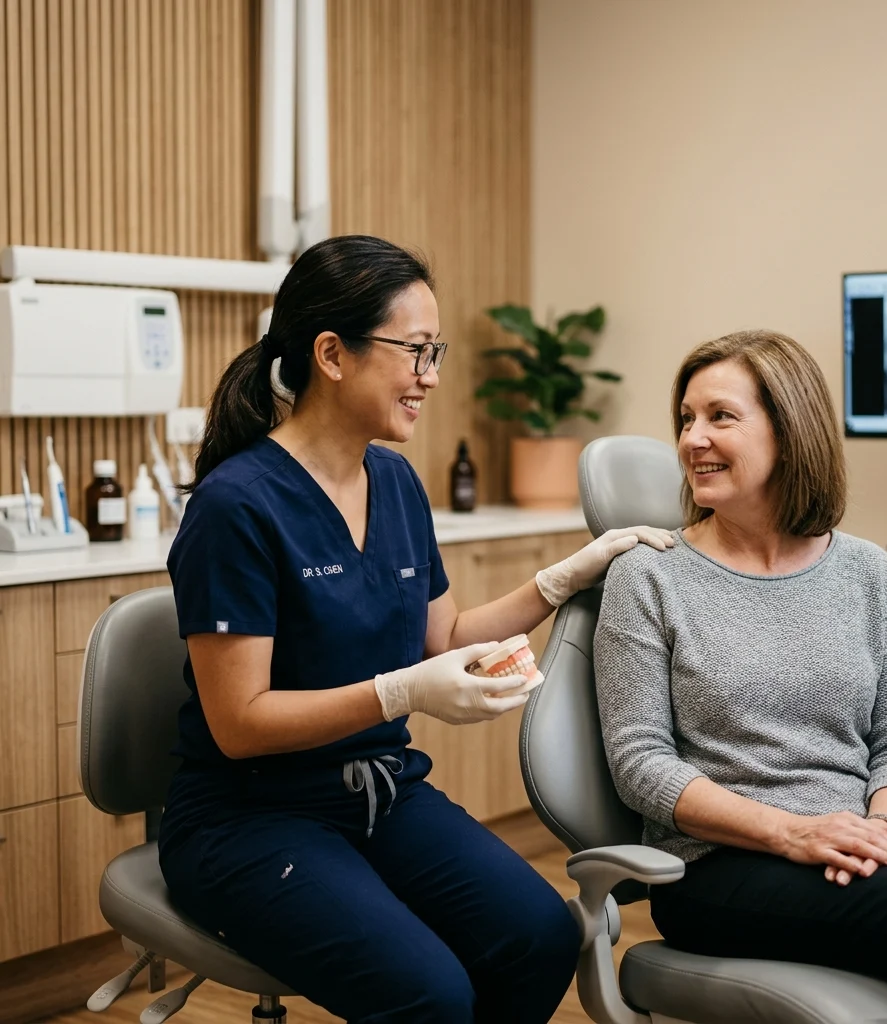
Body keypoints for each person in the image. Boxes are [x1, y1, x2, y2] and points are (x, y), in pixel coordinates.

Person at [157, 234, 674, 1024]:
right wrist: (399, 692)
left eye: (436, 353)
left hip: (379, 795)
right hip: (247, 820)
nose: (430, 377)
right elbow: (240, 725)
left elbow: (445, 638)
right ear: (332, 354)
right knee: (427, 994)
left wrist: (565, 576)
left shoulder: (394, 483)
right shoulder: (238, 508)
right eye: (416, 352)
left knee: (539, 937)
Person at [593, 328, 887, 1024]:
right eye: (686, 418)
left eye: (720, 417)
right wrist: (793, 833)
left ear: (789, 434)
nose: (692, 439)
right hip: (718, 867)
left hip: (863, 839)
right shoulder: (648, 577)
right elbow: (640, 765)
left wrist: (880, 828)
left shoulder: (866, 573)